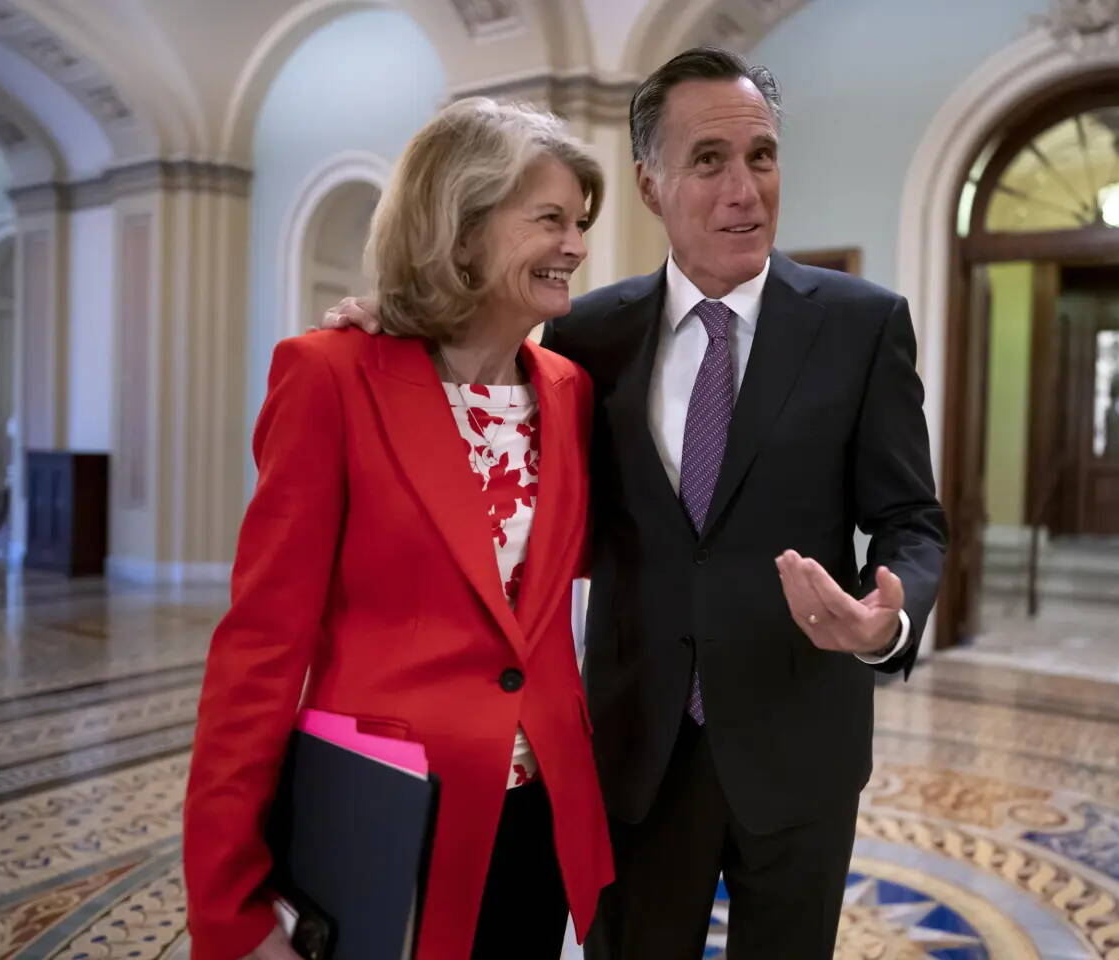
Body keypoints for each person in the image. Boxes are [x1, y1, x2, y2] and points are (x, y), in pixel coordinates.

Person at [326, 48, 946, 959]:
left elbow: (912, 521)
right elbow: (486, 430)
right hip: (636, 756)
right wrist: (392, 330)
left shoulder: (863, 324)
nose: (745, 189)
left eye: (762, 156)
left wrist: (886, 619)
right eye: (708, 161)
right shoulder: (583, 335)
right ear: (651, 186)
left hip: (798, 756)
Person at [183, 99, 613, 960]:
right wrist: (229, 899)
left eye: (581, 223)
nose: (576, 245)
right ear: (460, 231)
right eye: (550, 221)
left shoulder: (569, 389)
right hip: (389, 817)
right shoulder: (330, 376)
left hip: (539, 815)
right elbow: (261, 650)